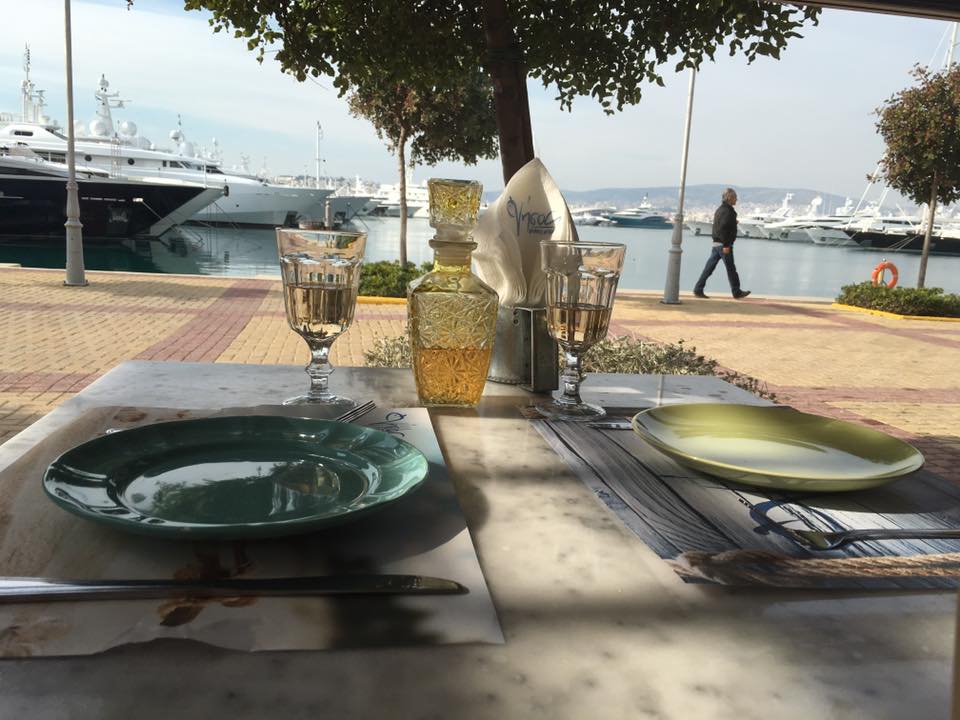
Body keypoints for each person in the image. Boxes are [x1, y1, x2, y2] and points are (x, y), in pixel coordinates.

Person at [693, 188, 751, 299]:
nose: (737, 199)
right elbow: (724, 228)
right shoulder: (729, 211)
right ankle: (736, 292)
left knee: (709, 268)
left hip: (716, 244)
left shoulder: (719, 210)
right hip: (724, 245)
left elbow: (720, 226)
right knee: (731, 269)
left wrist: (733, 223)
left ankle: (698, 289)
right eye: (735, 197)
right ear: (729, 198)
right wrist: (726, 245)